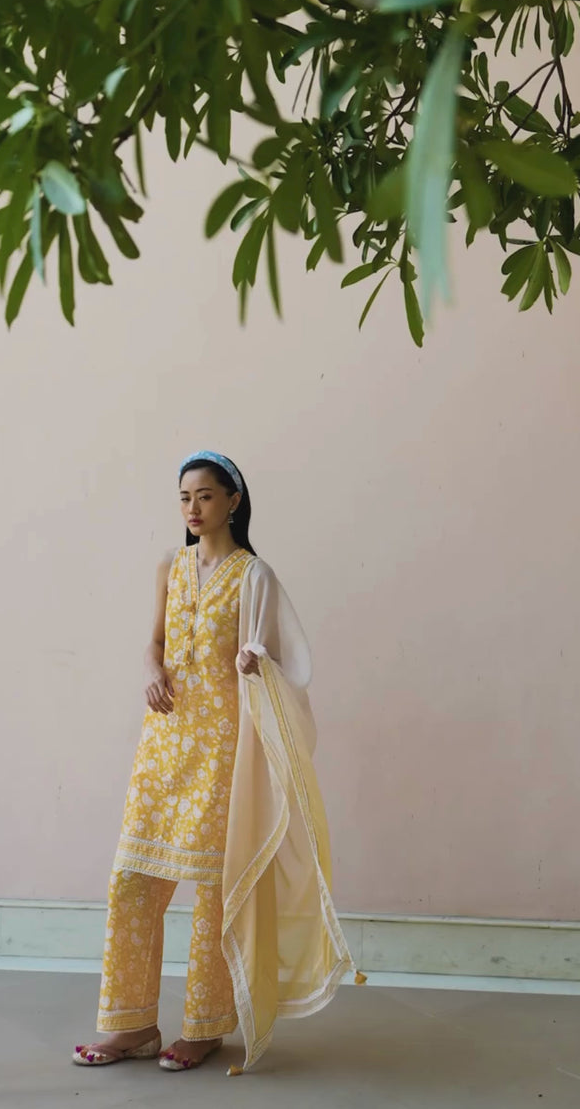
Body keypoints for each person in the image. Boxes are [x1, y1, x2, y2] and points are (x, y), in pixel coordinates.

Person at [73, 450, 355, 1073]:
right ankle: (130, 1024)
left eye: (204, 496)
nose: (192, 508)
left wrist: (256, 663)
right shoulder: (170, 565)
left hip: (222, 749)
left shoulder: (255, 576)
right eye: (184, 497)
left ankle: (204, 1027)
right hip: (162, 744)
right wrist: (151, 671)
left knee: (211, 889)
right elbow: (154, 641)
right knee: (131, 880)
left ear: (233, 500)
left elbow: (281, 661)